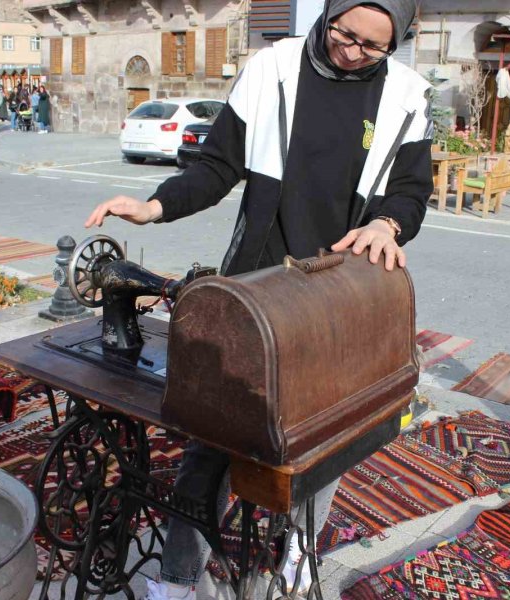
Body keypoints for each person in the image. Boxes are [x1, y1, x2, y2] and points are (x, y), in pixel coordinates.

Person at [85, 1, 432, 598]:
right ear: (327, 15)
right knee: (214, 439)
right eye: (343, 33)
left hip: (337, 295)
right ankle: (177, 579)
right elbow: (216, 167)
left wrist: (389, 226)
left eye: (372, 47)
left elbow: (409, 191)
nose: (352, 51)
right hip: (255, 286)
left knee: (328, 438)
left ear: (394, 44)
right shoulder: (272, 68)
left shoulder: (407, 94)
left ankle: (300, 550)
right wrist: (154, 206)